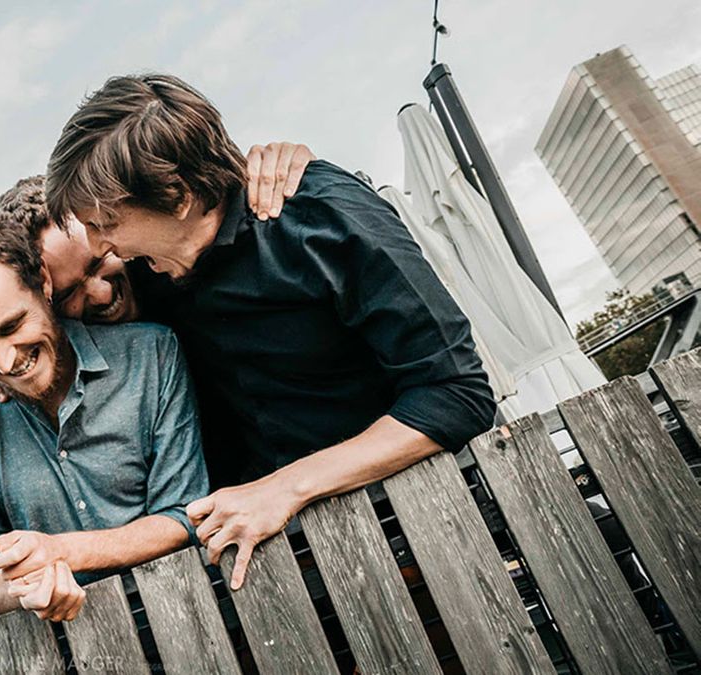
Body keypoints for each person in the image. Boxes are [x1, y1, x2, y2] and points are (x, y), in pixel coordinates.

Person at [43, 73, 497, 590]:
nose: (101, 247)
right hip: (275, 571)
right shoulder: (146, 273)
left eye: (107, 223)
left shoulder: (323, 217)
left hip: (426, 531)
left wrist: (283, 489)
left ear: (179, 194)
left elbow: (456, 393)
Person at [0, 207, 208, 621]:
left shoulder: (151, 354)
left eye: (11, 326)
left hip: (193, 615)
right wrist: (28, 584)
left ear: (44, 283)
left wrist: (61, 552)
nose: (4, 360)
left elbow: (184, 515)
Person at [0, 142, 314, 403]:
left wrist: (286, 170)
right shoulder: (60, 357)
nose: (102, 294)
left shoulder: (168, 262)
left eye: (98, 261)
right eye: (67, 295)